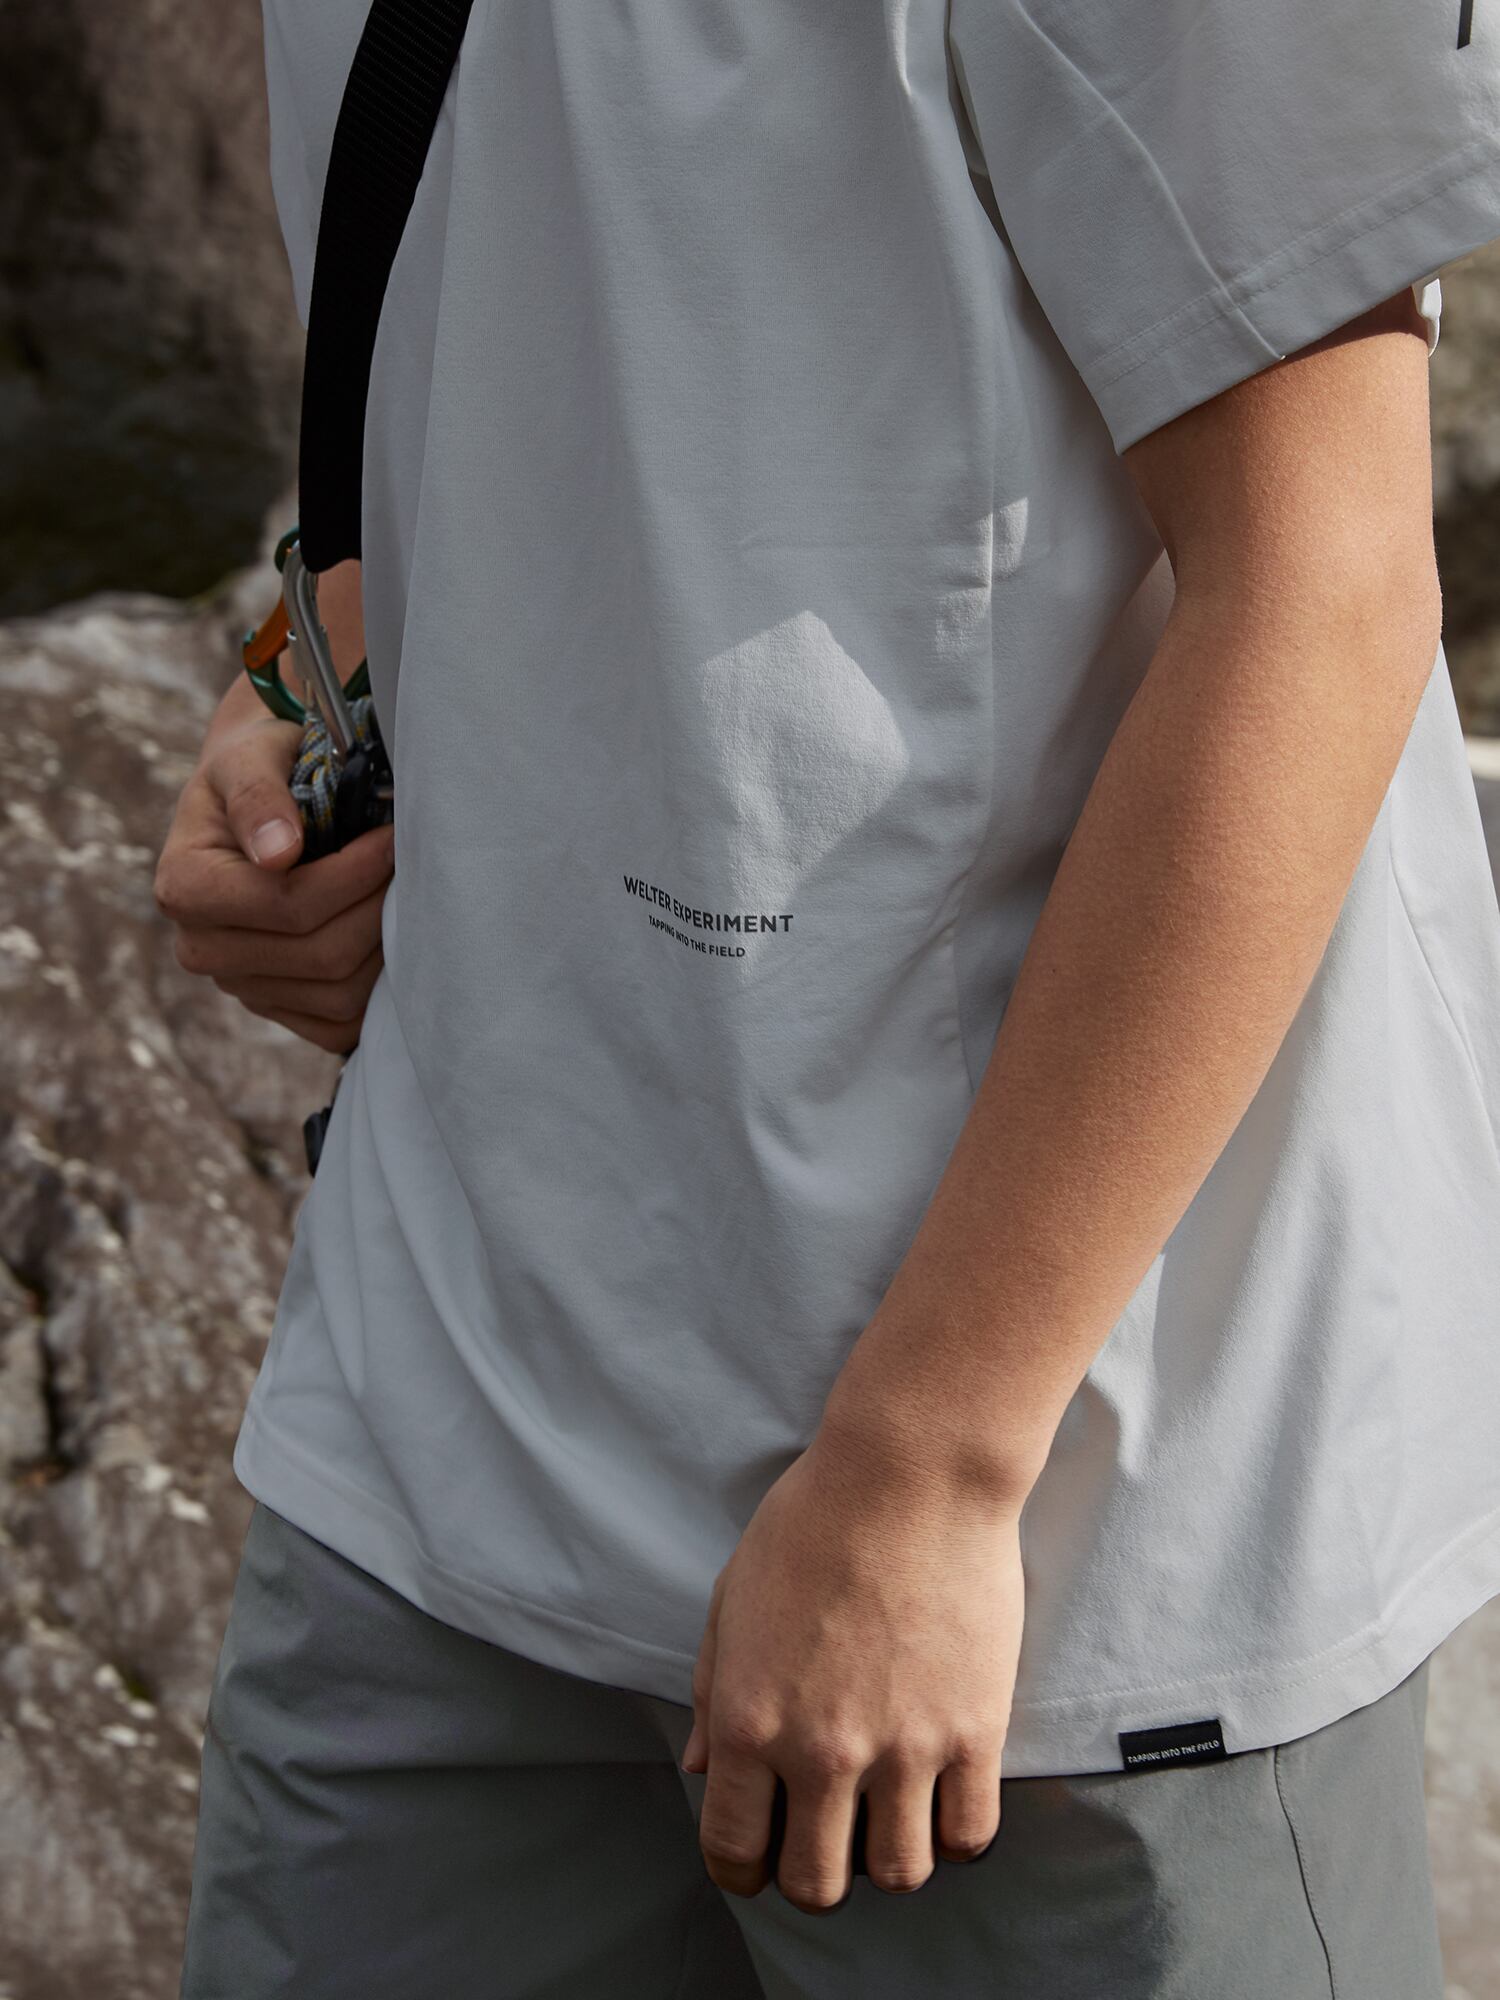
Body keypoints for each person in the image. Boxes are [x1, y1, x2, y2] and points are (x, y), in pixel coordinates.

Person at [159, 2, 1500, 1993]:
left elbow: (1326, 588)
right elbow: (511, 297)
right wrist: (320, 674)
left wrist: (931, 1468)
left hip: (1059, 1549)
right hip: (446, 1432)